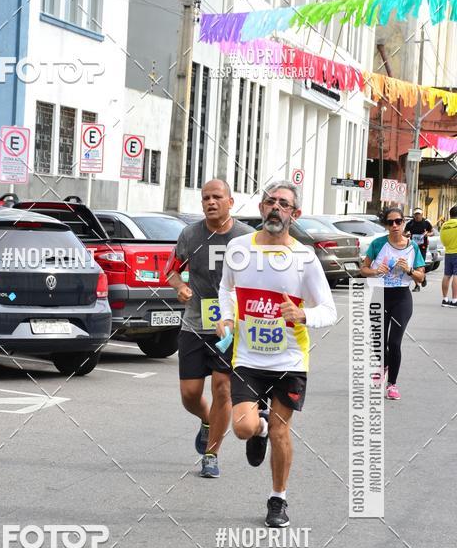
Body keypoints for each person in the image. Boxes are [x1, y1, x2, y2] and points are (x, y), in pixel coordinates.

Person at [216, 181, 337, 527]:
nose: (275, 208)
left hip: (289, 360)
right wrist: (226, 317)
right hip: (249, 358)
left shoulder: (304, 257)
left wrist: (304, 315)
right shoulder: (239, 248)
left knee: (284, 431)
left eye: (283, 204)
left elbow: (329, 309)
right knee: (242, 428)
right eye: (270, 201)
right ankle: (260, 428)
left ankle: (278, 499)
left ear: (294, 214)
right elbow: (227, 288)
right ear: (260, 208)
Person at [166, 180, 252, 478]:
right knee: (189, 394)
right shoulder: (190, 234)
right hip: (194, 323)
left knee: (222, 388)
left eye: (217, 197)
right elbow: (171, 270)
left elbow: (260, 281)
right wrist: (180, 286)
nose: (211, 202)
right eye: (206, 198)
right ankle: (206, 419)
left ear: (230, 201)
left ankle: (212, 453)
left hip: (230, 328)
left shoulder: (247, 238)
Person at [360, 206, 426, 399]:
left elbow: (421, 278)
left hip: (401, 298)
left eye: (398, 221)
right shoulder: (378, 243)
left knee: (394, 342)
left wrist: (409, 270)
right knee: (378, 341)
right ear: (386, 225)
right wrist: (376, 271)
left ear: (403, 222)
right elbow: (363, 270)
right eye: (390, 222)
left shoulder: (412, 247)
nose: (395, 225)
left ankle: (392, 384)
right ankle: (383, 365)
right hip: (379, 296)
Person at [404, 207, 432, 291]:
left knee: (420, 265)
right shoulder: (410, 223)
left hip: (422, 246)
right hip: (412, 247)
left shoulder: (426, 223)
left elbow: (432, 232)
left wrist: (427, 234)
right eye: (416, 214)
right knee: (413, 265)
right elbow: (404, 232)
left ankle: (423, 277)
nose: (417, 216)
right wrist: (406, 235)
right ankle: (417, 285)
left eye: (419, 214)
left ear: (422, 215)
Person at [440, 204, 457, 307]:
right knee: (456, 275)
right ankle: (455, 300)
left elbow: (442, 239)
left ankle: (445, 299)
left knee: (447, 275)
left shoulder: (444, 225)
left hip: (448, 252)